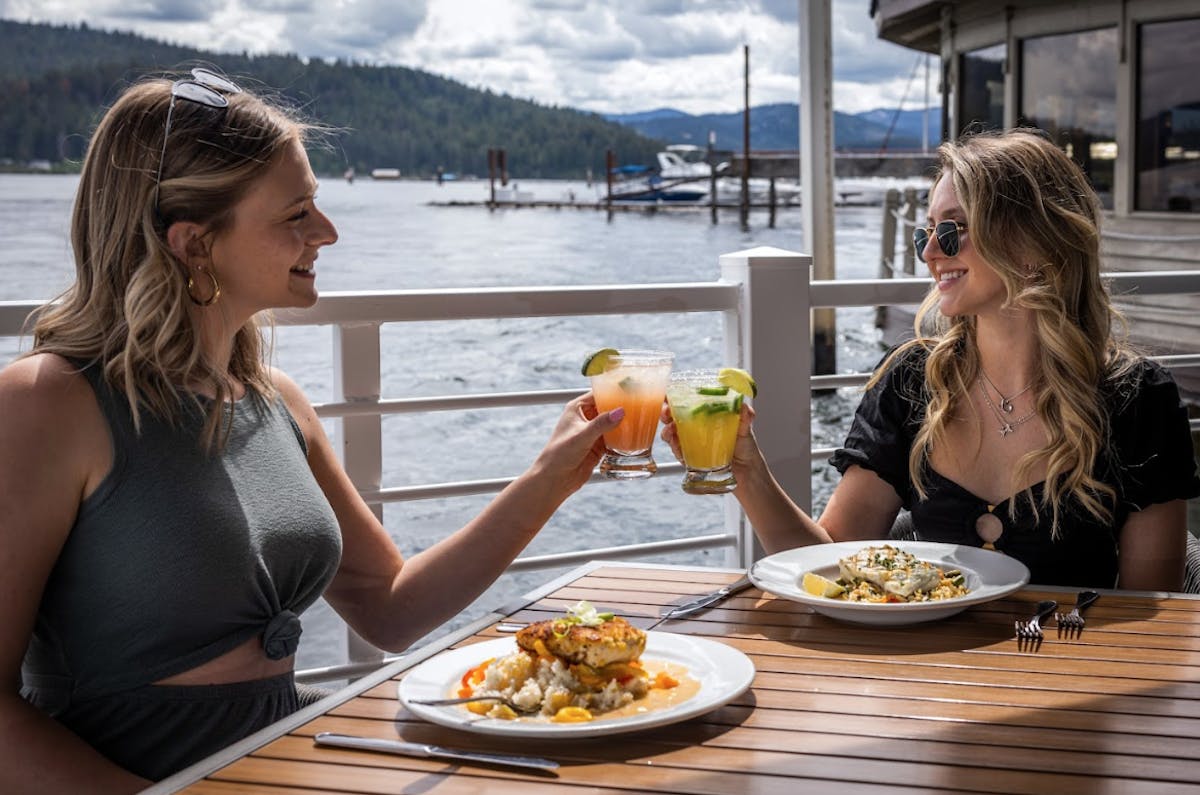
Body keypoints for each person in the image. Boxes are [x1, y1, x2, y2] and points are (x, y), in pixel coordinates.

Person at [0, 68, 624, 792]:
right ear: (195, 243)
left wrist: (549, 478)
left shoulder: (278, 401)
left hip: (295, 757)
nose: (327, 232)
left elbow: (390, 607)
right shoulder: (45, 404)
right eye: (296, 214)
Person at [664, 127, 1199, 592]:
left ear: (1034, 245)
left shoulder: (1136, 400)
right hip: (927, 673)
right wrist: (745, 468)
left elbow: (1152, 613)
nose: (928, 252)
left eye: (952, 230)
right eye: (927, 231)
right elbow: (826, 566)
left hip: (1074, 673)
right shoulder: (913, 382)